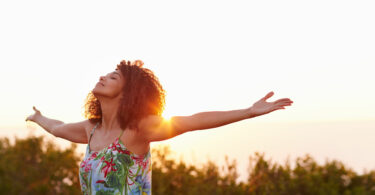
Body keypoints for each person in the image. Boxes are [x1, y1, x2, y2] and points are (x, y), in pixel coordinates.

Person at [25, 59, 293, 194]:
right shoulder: (90, 130)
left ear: (129, 92)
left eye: (113, 76)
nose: (102, 77)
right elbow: (58, 128)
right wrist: (39, 118)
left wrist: (247, 112)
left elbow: (191, 121)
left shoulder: (138, 129)